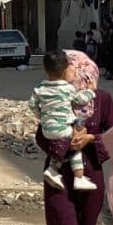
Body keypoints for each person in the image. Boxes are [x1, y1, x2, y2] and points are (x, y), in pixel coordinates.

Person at [34, 50, 113, 225]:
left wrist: (91, 138)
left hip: (91, 178)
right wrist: (66, 140)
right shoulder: (56, 97)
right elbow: (41, 136)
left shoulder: (102, 99)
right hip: (58, 177)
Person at [29, 52, 97, 191]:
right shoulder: (67, 88)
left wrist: (42, 116)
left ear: (44, 68)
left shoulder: (40, 88)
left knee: (60, 147)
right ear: (66, 70)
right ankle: (79, 178)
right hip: (63, 128)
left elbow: (31, 104)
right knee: (75, 147)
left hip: (46, 130)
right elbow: (81, 100)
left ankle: (52, 170)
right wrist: (90, 91)